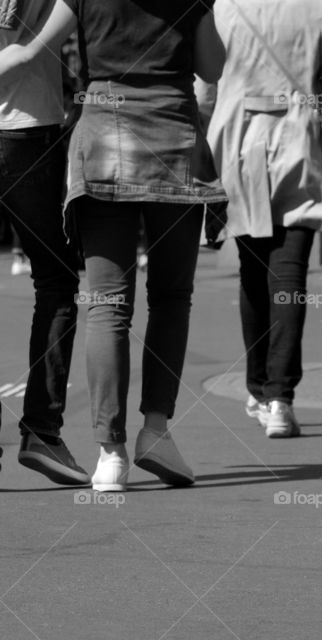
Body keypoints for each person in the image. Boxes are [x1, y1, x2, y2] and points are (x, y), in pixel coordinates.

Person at [0, 0, 227, 492]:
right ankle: (156, 431)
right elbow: (212, 68)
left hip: (103, 134)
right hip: (173, 132)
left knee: (106, 304)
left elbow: (33, 49)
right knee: (170, 297)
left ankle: (110, 455)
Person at [204, 0, 322, 438]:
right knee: (289, 276)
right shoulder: (315, 7)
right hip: (297, 143)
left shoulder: (222, 9)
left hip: (239, 145)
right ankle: (281, 400)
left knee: (251, 270)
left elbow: (204, 93)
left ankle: (258, 389)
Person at [0, 0, 87, 485]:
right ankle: (42, 431)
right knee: (55, 281)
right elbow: (29, 55)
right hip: (27, 135)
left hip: (28, 135)